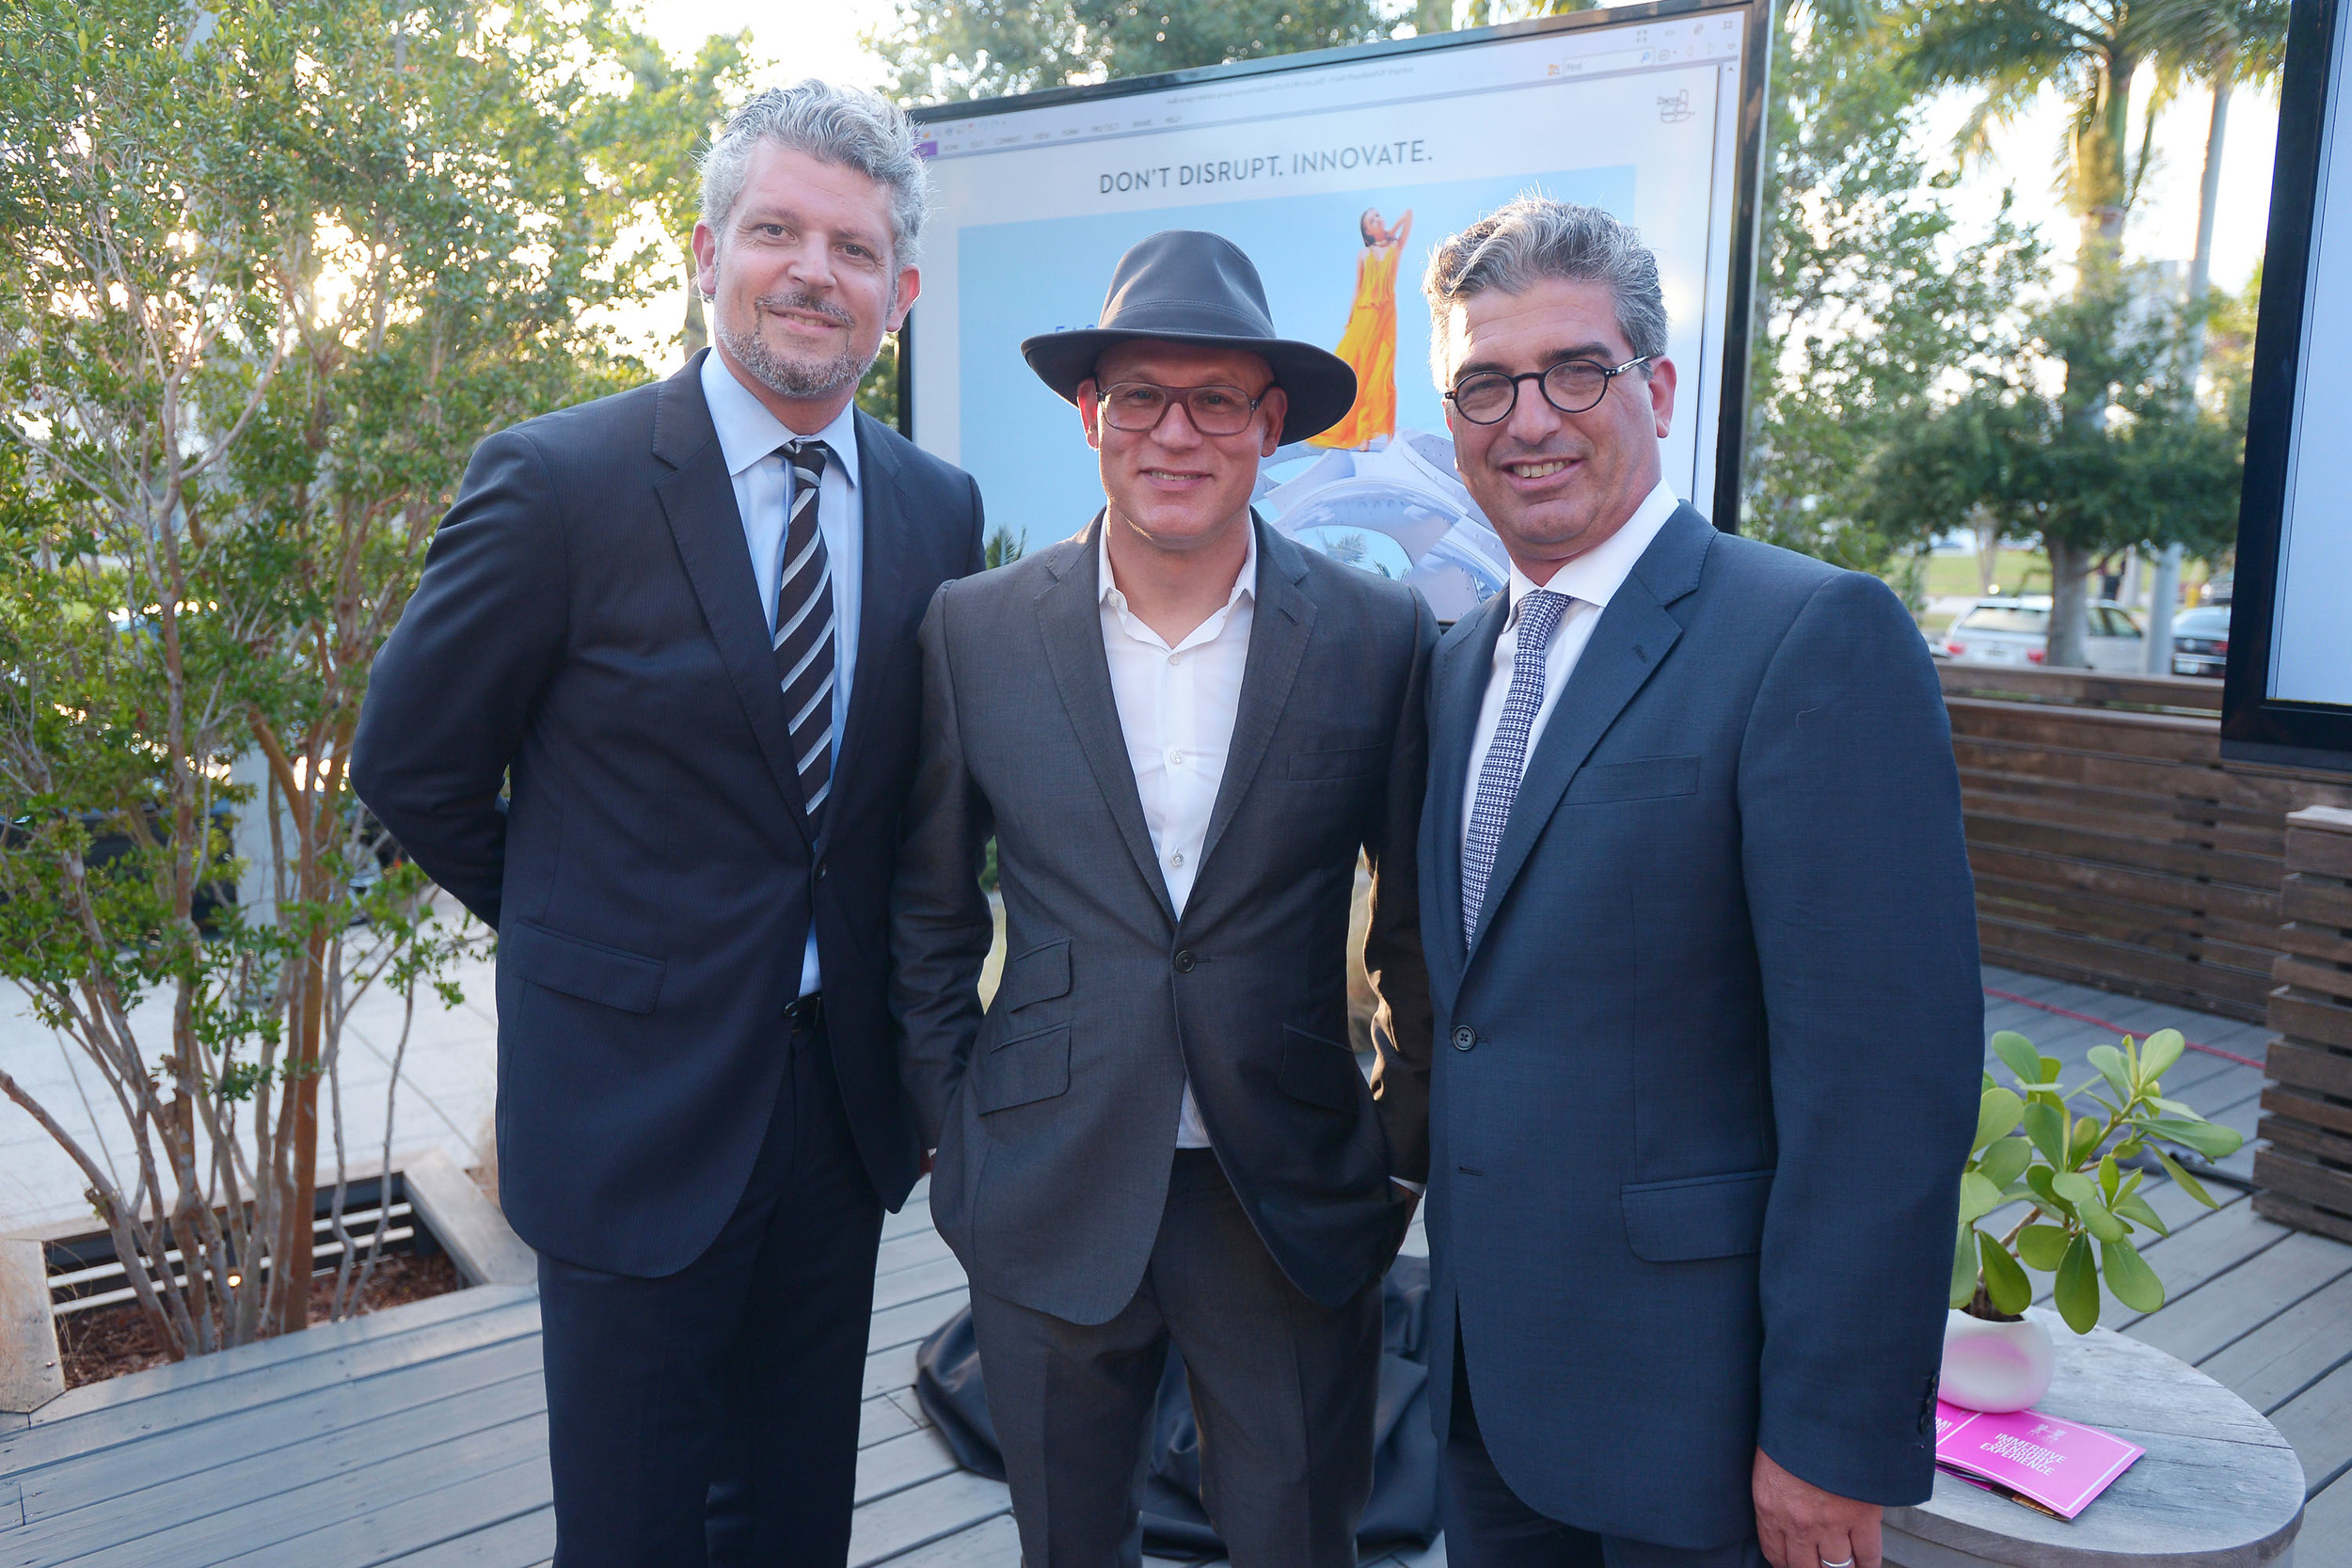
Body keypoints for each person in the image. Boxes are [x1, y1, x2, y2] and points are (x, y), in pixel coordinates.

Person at [349, 82, 985, 1567]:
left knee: (794, 1519)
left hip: (838, 1123)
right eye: (778, 230)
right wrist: (598, 929)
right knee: (632, 1530)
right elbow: (412, 761)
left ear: (902, 287)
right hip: (629, 1107)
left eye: (851, 243)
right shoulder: (558, 482)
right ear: (706, 251)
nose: (813, 271)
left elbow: (897, 811)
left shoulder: (936, 506)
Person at [1413, 197, 1981, 1568]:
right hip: (1492, 1397)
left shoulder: (1808, 635)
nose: (1528, 417)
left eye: (1575, 370)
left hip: (1707, 1431)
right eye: (1484, 383)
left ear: (1658, 388)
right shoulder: (1455, 665)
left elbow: (1885, 1084)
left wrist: (1832, 1429)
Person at [890, 229, 1436, 1568]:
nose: (1173, 432)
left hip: (1292, 1191)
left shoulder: (1377, 636)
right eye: (1140, 395)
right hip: (1043, 1180)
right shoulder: (975, 626)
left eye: (1216, 401)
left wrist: (1400, 1147)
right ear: (1091, 415)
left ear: (1270, 424)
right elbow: (929, 908)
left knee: (1300, 1545)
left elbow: (1423, 923)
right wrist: (954, 1129)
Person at [1317, 206, 1414, 451]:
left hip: (1386, 316)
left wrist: (1389, 232)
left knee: (1382, 374)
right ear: (1367, 231)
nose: (1379, 219)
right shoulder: (1363, 254)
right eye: (1373, 219)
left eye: (1379, 215)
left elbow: (1408, 215)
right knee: (1361, 372)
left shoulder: (1395, 247)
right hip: (1364, 317)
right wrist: (1350, 321)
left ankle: (1386, 434)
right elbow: (1357, 291)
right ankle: (1363, 436)